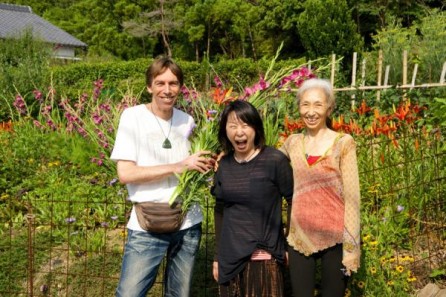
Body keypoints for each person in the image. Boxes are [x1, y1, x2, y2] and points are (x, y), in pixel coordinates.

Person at [111, 56, 214, 297]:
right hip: (148, 223)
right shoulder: (132, 117)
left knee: (179, 294)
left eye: (174, 83)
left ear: (180, 87)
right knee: (129, 294)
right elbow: (125, 173)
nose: (167, 90)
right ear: (149, 86)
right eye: (160, 83)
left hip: (188, 222)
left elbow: (192, 167)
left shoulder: (186, 121)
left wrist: (207, 163)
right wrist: (176, 166)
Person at [279, 78, 361, 297]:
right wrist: (229, 157)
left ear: (329, 107)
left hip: (335, 237)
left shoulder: (344, 143)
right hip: (299, 237)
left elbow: (353, 199)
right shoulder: (292, 142)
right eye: (305, 104)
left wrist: (351, 249)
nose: (311, 111)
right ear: (299, 107)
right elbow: (266, 164)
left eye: (318, 104)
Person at [211, 100, 294, 297]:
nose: (239, 132)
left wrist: (289, 245)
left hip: (265, 258)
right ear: (225, 131)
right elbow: (220, 211)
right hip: (230, 259)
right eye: (232, 126)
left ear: (255, 128)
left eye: (245, 125)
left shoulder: (274, 160)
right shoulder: (224, 165)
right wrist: (217, 257)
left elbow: (293, 200)